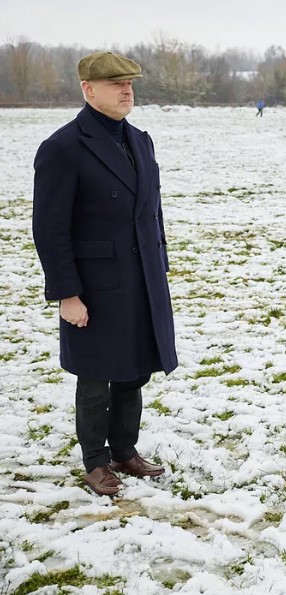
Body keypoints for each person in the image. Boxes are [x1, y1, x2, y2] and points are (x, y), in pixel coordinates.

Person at [32, 51, 178, 496]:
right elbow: (50, 228)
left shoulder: (140, 140)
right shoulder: (62, 148)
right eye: (116, 84)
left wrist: (160, 267)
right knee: (95, 376)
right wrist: (66, 294)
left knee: (134, 371)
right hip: (94, 285)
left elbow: (151, 214)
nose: (126, 90)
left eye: (130, 82)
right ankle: (96, 461)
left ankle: (124, 450)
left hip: (141, 278)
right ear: (88, 89)